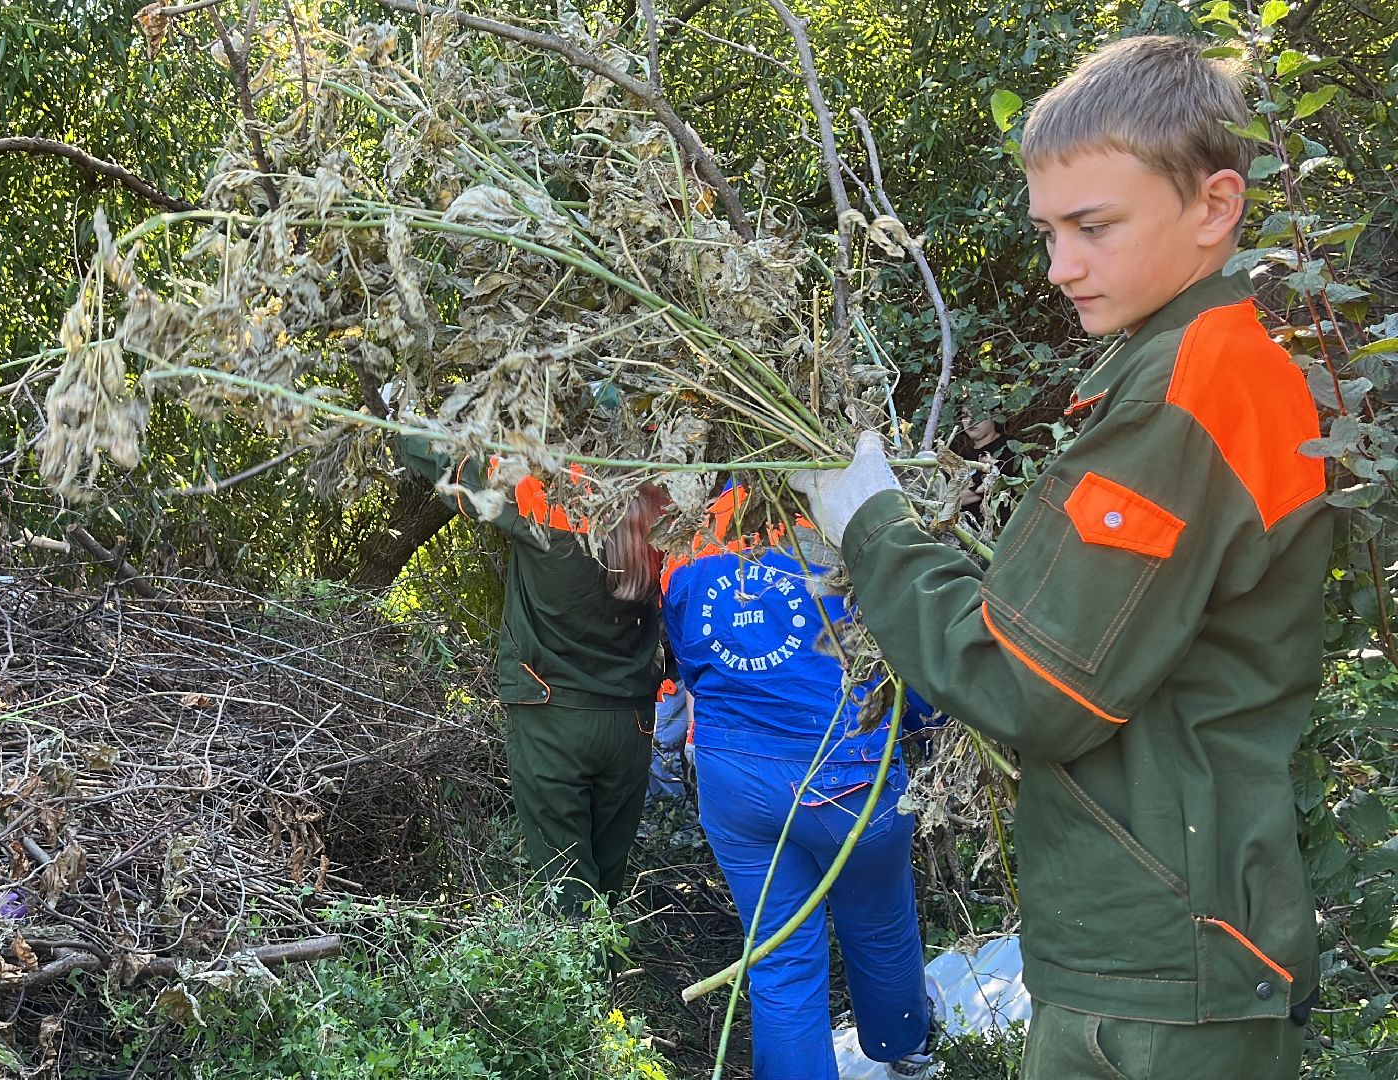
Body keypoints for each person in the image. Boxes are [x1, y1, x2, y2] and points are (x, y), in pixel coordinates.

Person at [791, 36, 1328, 1079]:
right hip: (1178, 945)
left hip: (1163, 977)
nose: (1060, 266)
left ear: (1215, 207)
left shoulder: (1191, 389)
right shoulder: (1182, 364)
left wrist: (877, 527)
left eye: (1093, 227)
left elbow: (1034, 682)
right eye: (1047, 232)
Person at [662, 485, 939, 1079]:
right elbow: (910, 650)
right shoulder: (847, 516)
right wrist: (925, 724)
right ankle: (903, 1045)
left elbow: (688, 658)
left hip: (735, 780)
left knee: (779, 956)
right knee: (879, 919)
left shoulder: (688, 542)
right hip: (848, 777)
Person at [397, 438, 665, 914]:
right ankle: (608, 977)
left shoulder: (544, 494)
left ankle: (582, 985)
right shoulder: (663, 499)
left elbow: (454, 470)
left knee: (565, 888)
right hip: (631, 722)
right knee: (607, 879)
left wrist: (402, 422)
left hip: (552, 715)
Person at [953, 410, 1022, 531]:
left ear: (995, 414)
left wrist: (958, 494)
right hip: (959, 532)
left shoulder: (1010, 447)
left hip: (996, 533)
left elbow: (990, 485)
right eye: (964, 416)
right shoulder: (961, 457)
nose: (970, 421)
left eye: (977, 413)